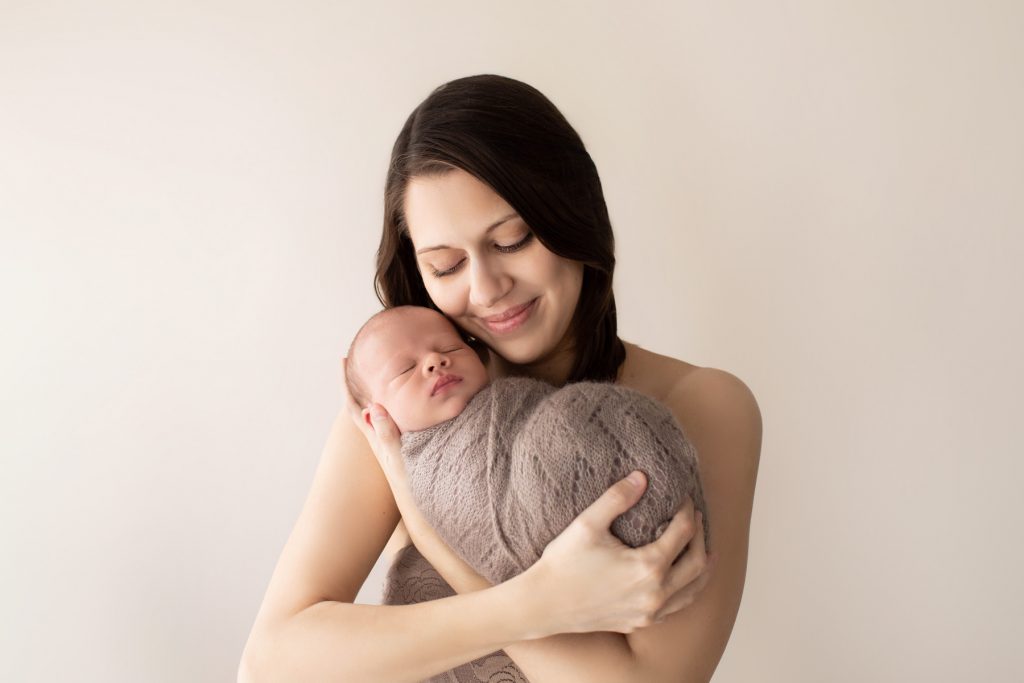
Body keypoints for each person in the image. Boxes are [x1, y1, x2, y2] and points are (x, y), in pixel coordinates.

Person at [239, 74, 762, 683]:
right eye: (446, 264)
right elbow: (270, 664)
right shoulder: (407, 402)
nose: (485, 290)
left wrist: (430, 529)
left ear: (573, 216)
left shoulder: (704, 404)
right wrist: (537, 603)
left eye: (511, 241)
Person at [344, 304, 710, 588]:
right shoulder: (414, 464)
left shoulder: (509, 396)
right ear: (374, 417)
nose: (435, 361)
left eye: (450, 347)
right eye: (406, 370)